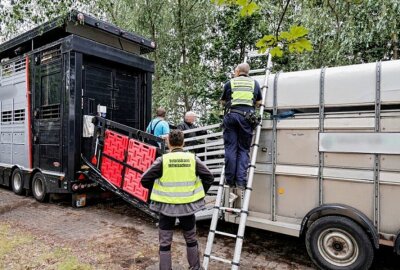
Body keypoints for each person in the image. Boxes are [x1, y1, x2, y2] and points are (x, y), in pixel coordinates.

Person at [141, 129, 214, 270]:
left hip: (166, 208)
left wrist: (157, 193)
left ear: (168, 142)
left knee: (165, 242)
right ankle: (195, 267)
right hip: (188, 207)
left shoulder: (163, 160)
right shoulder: (193, 159)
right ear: (183, 142)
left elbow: (145, 180)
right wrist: (198, 194)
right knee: (191, 239)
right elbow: (209, 177)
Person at [220, 63, 262, 189]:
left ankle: (230, 180)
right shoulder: (255, 84)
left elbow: (222, 101)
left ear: (237, 71)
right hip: (247, 118)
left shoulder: (230, 83)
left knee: (230, 148)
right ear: (247, 72)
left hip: (232, 116)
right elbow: (259, 102)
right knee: (243, 149)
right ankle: (240, 181)